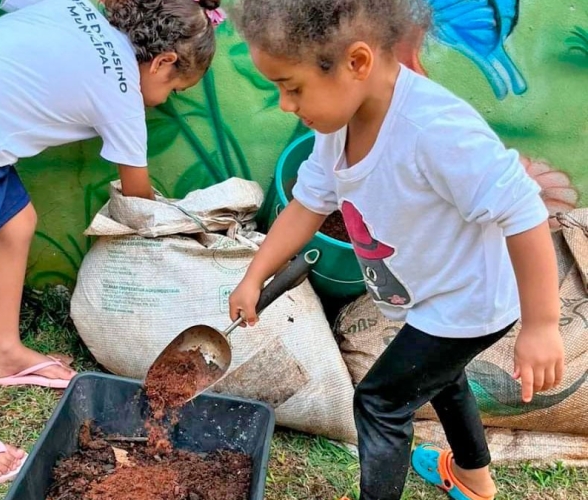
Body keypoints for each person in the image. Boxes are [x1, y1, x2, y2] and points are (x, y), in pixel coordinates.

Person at [228, 1, 564, 499]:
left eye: (291, 87)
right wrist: (255, 274)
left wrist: (542, 325)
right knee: (440, 379)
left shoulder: (435, 130)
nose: (284, 104)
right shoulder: (338, 123)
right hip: (431, 295)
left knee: (380, 400)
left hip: (468, 302)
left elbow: (523, 211)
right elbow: (307, 204)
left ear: (357, 63)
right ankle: (474, 479)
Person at [0, 0, 225, 483]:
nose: (167, 98)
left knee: (17, 223)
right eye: (173, 86)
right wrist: (182, 232)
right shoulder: (121, 92)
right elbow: (137, 195)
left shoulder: (83, 10)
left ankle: (4, 353)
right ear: (163, 61)